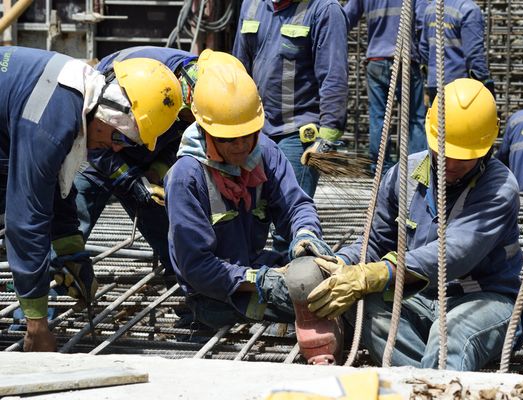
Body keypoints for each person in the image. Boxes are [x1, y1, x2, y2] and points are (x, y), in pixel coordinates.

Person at [307, 79, 523, 370]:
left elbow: (453, 253)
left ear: (485, 148)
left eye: (461, 157)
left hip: (483, 297)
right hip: (419, 296)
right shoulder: (405, 173)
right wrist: (339, 263)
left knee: (449, 336)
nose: (449, 163)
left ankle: (438, 380)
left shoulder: (499, 188)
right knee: (365, 306)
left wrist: (382, 271)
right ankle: (418, 381)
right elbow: (374, 242)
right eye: (443, 151)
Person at [0, 46, 182, 351]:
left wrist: (71, 250)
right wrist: (37, 324)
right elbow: (26, 216)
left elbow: (56, 177)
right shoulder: (51, 124)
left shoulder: (79, 94)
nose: (117, 149)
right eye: (120, 137)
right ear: (112, 111)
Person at [165, 53, 339, 363]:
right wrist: (258, 280)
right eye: (230, 139)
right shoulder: (186, 177)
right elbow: (196, 267)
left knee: (330, 283)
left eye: (248, 135)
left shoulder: (264, 152)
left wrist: (306, 234)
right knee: (316, 302)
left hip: (254, 265)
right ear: (205, 130)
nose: (241, 146)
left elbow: (295, 205)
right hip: (215, 293)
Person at [74, 46, 199, 276]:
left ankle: (190, 300)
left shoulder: (194, 102)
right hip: (96, 157)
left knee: (175, 242)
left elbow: (176, 142)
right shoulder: (135, 78)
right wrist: (131, 180)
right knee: (68, 231)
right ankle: (48, 298)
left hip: (142, 158)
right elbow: (95, 137)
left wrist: (153, 175)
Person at [232, 0, 349, 198]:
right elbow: (238, 68)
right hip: (255, 133)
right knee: (254, 219)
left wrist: (327, 139)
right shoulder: (251, 5)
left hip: (297, 136)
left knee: (289, 217)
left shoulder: (325, 10)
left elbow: (333, 77)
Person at [344, 0, 429, 173]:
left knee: (378, 117)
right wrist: (425, 57)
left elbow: (344, 19)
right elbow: (423, 21)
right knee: (415, 119)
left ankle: (380, 168)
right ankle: (417, 170)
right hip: (406, 59)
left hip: (376, 59)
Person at [420, 0, 495, 103]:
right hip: (460, 88)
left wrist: (432, 73)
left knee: (437, 118)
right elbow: (474, 53)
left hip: (435, 83)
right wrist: (485, 81)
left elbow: (423, 48)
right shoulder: (469, 9)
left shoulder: (431, 8)